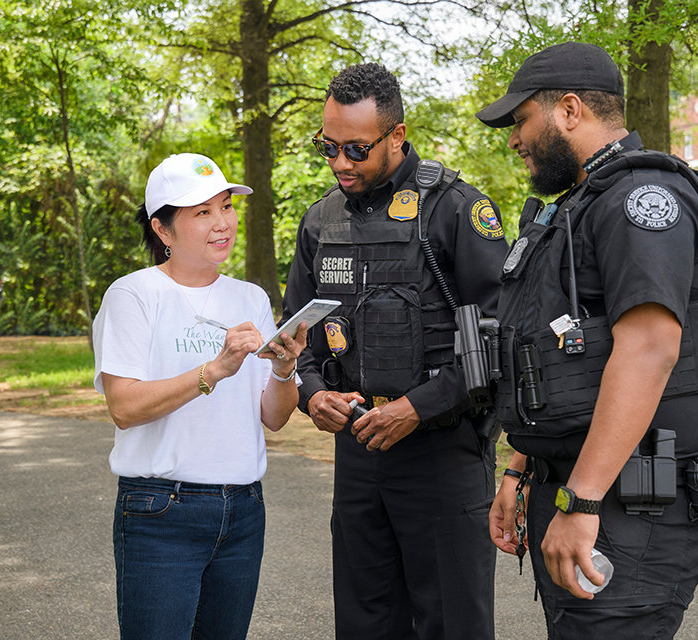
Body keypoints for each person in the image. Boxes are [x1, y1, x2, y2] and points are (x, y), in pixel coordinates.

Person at [476, 42, 698, 638]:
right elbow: (565, 359)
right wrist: (521, 469)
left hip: (633, 494)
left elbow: (650, 348)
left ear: (569, 110)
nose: (514, 139)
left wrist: (581, 501)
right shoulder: (583, 205)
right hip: (585, 481)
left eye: (521, 121)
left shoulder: (640, 200)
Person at [282, 63, 509, 639]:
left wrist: (418, 407)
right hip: (360, 457)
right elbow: (297, 337)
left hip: (442, 453)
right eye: (327, 147)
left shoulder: (454, 210)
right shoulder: (320, 222)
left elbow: (500, 336)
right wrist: (314, 396)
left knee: (450, 624)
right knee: (365, 622)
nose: (339, 163)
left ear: (397, 137)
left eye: (355, 149)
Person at [92, 153, 307, 640]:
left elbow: (273, 418)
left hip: (243, 511)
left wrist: (284, 367)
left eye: (226, 206)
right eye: (202, 212)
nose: (222, 223)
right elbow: (124, 407)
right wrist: (213, 370)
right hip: (160, 512)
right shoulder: (132, 295)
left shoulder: (250, 297)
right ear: (163, 230)